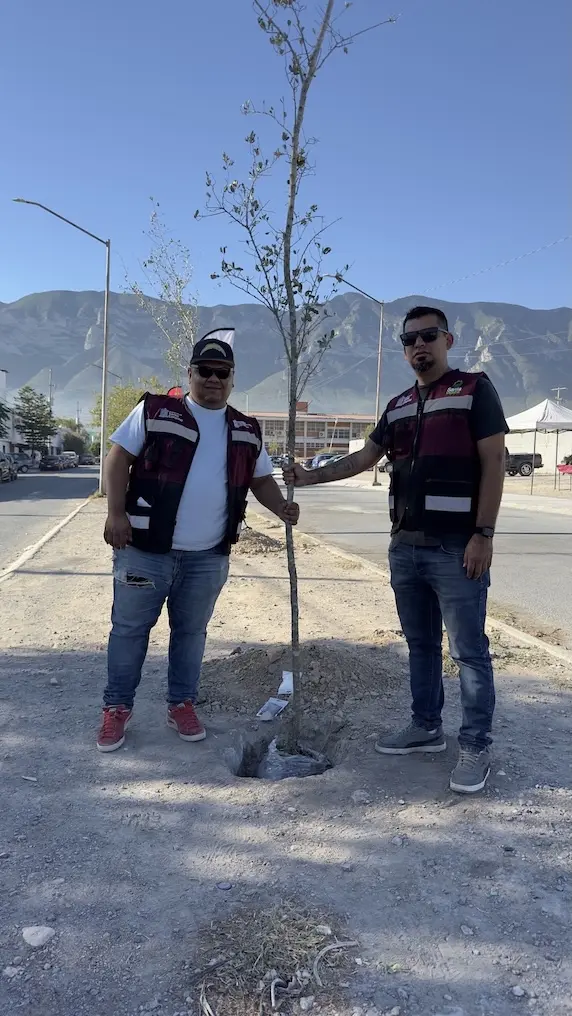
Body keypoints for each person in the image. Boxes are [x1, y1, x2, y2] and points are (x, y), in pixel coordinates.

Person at [285, 306, 508, 794]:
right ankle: (426, 727)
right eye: (409, 340)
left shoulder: (473, 390)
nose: (418, 346)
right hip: (405, 548)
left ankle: (475, 744)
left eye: (428, 336)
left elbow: (494, 463)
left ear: (447, 340)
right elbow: (365, 458)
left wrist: (483, 535)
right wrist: (309, 477)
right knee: (421, 646)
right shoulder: (400, 403)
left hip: (457, 548)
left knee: (469, 653)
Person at [98, 330, 299, 752]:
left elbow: (260, 479)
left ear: (232, 378)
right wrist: (116, 514)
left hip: (207, 556)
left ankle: (181, 704)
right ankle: (116, 709)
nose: (213, 379)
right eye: (204, 371)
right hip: (144, 551)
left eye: (221, 372)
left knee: (191, 633)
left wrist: (281, 506)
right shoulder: (155, 411)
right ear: (189, 374)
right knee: (130, 630)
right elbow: (118, 458)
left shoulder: (246, 428)